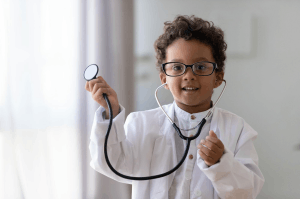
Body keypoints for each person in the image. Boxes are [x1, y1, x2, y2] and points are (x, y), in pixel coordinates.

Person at [85, 15, 265, 199]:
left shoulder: (237, 129)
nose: (189, 75)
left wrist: (221, 163)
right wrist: (111, 113)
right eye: (177, 68)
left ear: (217, 78)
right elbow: (110, 163)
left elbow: (247, 191)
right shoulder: (142, 123)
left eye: (201, 67)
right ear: (164, 79)